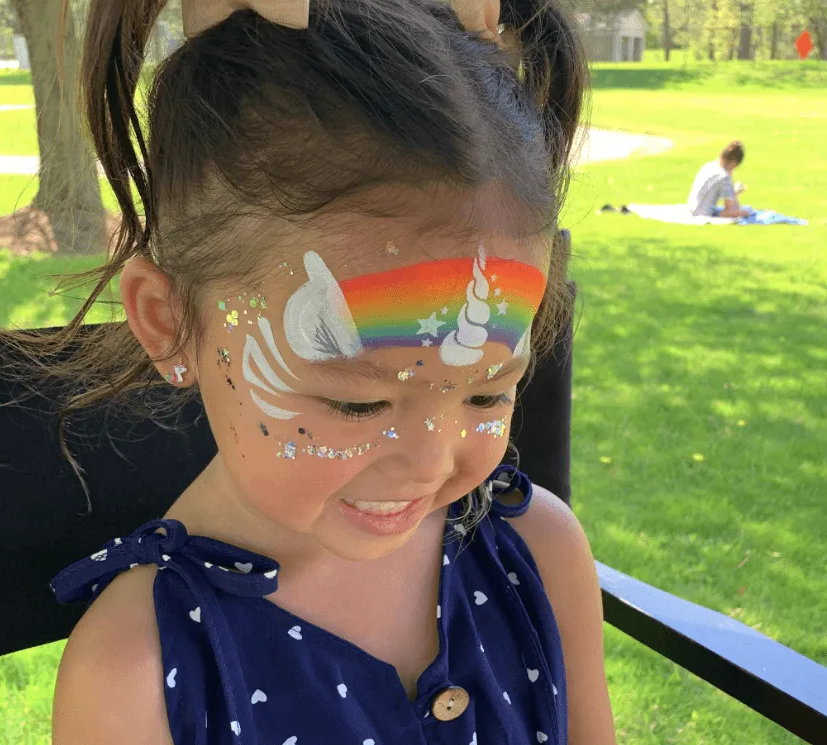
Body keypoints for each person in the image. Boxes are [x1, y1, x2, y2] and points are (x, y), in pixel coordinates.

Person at [33, 0, 617, 743]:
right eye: (357, 405)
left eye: (486, 390)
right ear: (167, 319)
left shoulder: (538, 552)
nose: (431, 461)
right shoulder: (137, 670)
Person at [687, 140, 751, 218]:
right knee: (745, 213)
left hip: (691, 208)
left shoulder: (709, 165)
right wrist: (736, 192)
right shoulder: (724, 177)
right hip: (702, 213)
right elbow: (731, 209)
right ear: (734, 163)